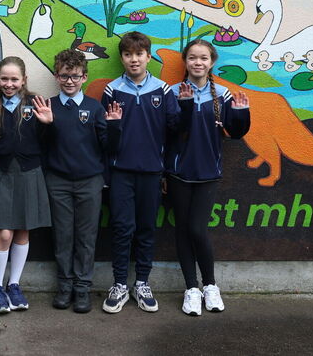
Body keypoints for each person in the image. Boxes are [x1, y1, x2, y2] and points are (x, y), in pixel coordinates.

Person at [31, 49, 121, 313]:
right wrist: (45, 124)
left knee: (85, 237)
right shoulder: (47, 106)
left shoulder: (95, 108)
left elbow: (109, 147)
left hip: (89, 182)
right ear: (56, 76)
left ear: (85, 76)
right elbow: (39, 144)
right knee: (62, 236)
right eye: (64, 76)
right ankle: (65, 286)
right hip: (57, 181)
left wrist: (115, 126)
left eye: (75, 76)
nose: (69, 81)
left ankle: (83, 288)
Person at [167, 39, 250, 316]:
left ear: (211, 62)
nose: (198, 63)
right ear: (185, 61)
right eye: (192, 58)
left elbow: (235, 133)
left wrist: (241, 114)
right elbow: (172, 129)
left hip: (208, 173)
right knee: (182, 229)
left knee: (197, 230)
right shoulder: (175, 92)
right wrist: (187, 105)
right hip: (179, 173)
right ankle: (191, 289)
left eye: (203, 58)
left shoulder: (223, 95)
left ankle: (210, 285)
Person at [101, 31, 179, 314]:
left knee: (146, 230)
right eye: (127, 54)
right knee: (122, 229)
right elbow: (105, 140)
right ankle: (120, 284)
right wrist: (113, 127)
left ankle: (142, 283)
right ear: (122, 58)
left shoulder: (163, 90)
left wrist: (166, 173)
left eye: (139, 54)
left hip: (151, 173)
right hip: (121, 173)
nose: (133, 59)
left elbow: (174, 133)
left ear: (148, 56)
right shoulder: (112, 90)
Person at [0, 56, 51, 315]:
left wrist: (48, 126)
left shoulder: (35, 104)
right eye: (4, 79)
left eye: (14, 79)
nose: (8, 84)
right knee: (4, 234)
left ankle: (14, 285)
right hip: (4, 174)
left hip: (30, 173)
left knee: (23, 231)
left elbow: (44, 143)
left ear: (24, 80)